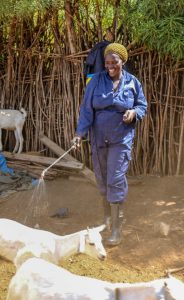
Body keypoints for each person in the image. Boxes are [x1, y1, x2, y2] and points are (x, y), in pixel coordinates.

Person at [72, 43, 147, 246]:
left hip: (120, 138)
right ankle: (106, 219)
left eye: (114, 62)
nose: (110, 66)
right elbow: (87, 110)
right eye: (107, 62)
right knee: (102, 178)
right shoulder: (95, 81)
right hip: (98, 139)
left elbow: (142, 105)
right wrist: (80, 134)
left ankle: (116, 228)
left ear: (123, 61)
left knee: (115, 178)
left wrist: (134, 113)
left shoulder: (133, 82)